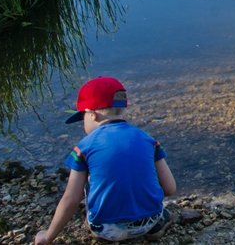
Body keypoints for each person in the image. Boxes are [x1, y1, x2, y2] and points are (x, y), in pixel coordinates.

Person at [34, 77, 177, 244]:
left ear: (92, 115)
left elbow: (71, 199)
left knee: (91, 178)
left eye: (83, 118)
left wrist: (48, 236)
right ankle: (156, 225)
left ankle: (102, 224)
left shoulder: (84, 147)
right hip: (148, 221)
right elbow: (170, 188)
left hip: (105, 229)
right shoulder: (148, 139)